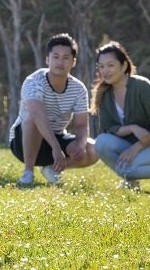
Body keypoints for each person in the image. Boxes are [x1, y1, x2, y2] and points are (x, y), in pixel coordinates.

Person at [90, 41, 150, 192]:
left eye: (110, 65)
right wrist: (132, 128)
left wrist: (136, 148)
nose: (105, 71)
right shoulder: (104, 94)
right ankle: (132, 181)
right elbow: (108, 128)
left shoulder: (142, 86)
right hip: (133, 144)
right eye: (101, 66)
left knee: (127, 169)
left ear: (124, 66)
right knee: (101, 142)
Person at [9, 33, 99, 185]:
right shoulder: (34, 81)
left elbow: (82, 126)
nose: (60, 62)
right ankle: (28, 172)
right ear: (47, 59)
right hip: (23, 142)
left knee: (93, 149)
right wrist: (56, 148)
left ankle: (52, 168)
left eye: (65, 58)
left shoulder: (78, 89)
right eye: (56, 57)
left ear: (73, 62)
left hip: (56, 136)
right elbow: (37, 114)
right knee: (32, 117)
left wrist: (80, 145)